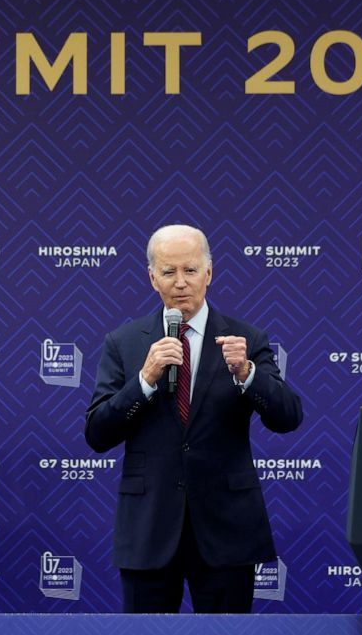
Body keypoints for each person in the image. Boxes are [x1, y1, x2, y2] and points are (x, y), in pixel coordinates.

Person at [85, 224, 302, 613]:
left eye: (190, 270)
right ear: (152, 278)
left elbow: (288, 417)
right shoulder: (125, 342)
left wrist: (248, 374)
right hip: (149, 528)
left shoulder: (245, 339)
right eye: (169, 272)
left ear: (209, 273)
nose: (181, 283)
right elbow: (97, 433)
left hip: (227, 529)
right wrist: (144, 381)